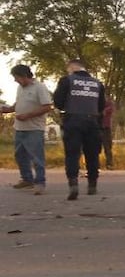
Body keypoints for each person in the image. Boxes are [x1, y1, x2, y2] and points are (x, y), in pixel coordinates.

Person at [52, 59, 106, 200]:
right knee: (92, 154)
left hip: (73, 120)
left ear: (71, 68)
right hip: (93, 121)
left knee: (72, 154)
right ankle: (92, 185)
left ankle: (73, 184)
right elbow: (101, 106)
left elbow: (57, 101)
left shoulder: (67, 80)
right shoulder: (97, 83)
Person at [0, 65, 53, 195]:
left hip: (34, 128)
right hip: (19, 128)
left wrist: (28, 115)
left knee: (36, 157)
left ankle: (40, 182)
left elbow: (47, 107)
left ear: (24, 76)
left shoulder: (40, 87)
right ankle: (27, 179)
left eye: (16, 77)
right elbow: (17, 105)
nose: (15, 80)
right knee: (20, 155)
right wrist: (6, 109)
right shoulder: (20, 88)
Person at [101, 95, 115, 170]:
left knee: (108, 148)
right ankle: (94, 165)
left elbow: (109, 109)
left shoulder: (109, 104)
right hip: (97, 127)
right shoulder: (96, 103)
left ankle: (109, 164)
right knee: (94, 148)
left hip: (106, 128)